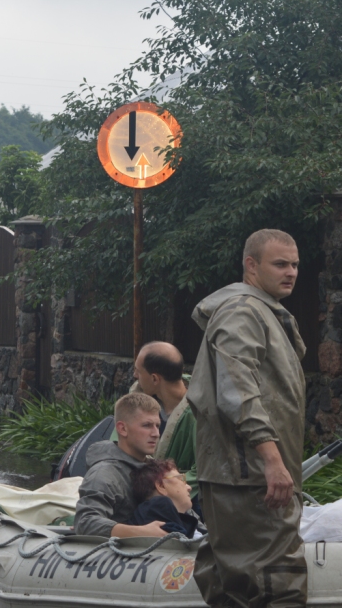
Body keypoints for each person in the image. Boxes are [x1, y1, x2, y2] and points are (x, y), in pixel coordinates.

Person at [187, 229, 308, 607]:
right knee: (275, 585)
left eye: (295, 265)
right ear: (251, 266)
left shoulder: (262, 310)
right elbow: (237, 393)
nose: (290, 272)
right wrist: (272, 461)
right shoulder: (244, 311)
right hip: (249, 477)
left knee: (236, 585)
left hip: (245, 475)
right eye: (280, 264)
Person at [74, 392, 169, 538]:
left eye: (157, 426)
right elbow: (85, 522)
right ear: (122, 429)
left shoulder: (156, 469)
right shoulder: (103, 474)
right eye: (147, 425)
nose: (156, 433)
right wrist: (142, 532)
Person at [133, 341, 195, 476]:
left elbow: (202, 471)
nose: (135, 376)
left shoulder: (198, 413)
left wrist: (165, 483)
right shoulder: (138, 402)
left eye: (138, 371)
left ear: (155, 379)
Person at [128, 459, 205, 539]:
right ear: (161, 486)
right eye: (181, 479)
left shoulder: (157, 510)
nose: (189, 487)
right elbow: (182, 543)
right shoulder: (158, 504)